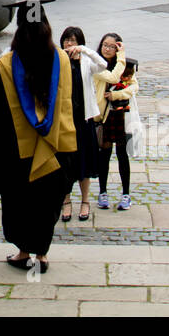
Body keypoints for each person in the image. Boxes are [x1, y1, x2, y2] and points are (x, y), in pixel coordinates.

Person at [0, 0, 77, 273]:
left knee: (20, 202)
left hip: (17, 148)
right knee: (47, 201)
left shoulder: (6, 64)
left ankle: (23, 251)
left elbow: (0, 111)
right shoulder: (61, 59)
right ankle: (42, 255)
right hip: (55, 143)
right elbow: (67, 101)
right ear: (46, 25)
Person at [58, 26, 102, 223]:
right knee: (65, 163)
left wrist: (85, 50)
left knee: (84, 162)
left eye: (73, 40)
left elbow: (102, 65)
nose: (69, 44)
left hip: (84, 118)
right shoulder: (58, 60)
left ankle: (85, 201)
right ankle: (66, 200)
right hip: (65, 119)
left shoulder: (86, 62)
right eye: (67, 40)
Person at [92, 33, 135, 210]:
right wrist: (121, 59)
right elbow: (113, 77)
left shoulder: (126, 65)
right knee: (105, 154)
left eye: (112, 46)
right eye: (105, 45)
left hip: (121, 115)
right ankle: (103, 192)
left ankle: (126, 194)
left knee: (122, 155)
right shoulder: (97, 65)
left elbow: (134, 86)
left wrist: (116, 94)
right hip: (104, 116)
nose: (107, 49)